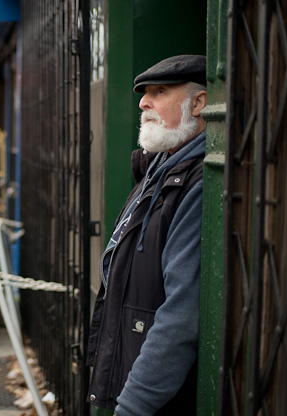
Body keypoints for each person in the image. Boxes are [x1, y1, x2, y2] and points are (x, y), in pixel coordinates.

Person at [86, 54, 208, 415]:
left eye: (159, 91)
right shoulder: (157, 166)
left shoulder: (199, 182)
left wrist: (133, 404)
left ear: (199, 103)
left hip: (161, 398)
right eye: (144, 93)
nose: (143, 102)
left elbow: (181, 316)